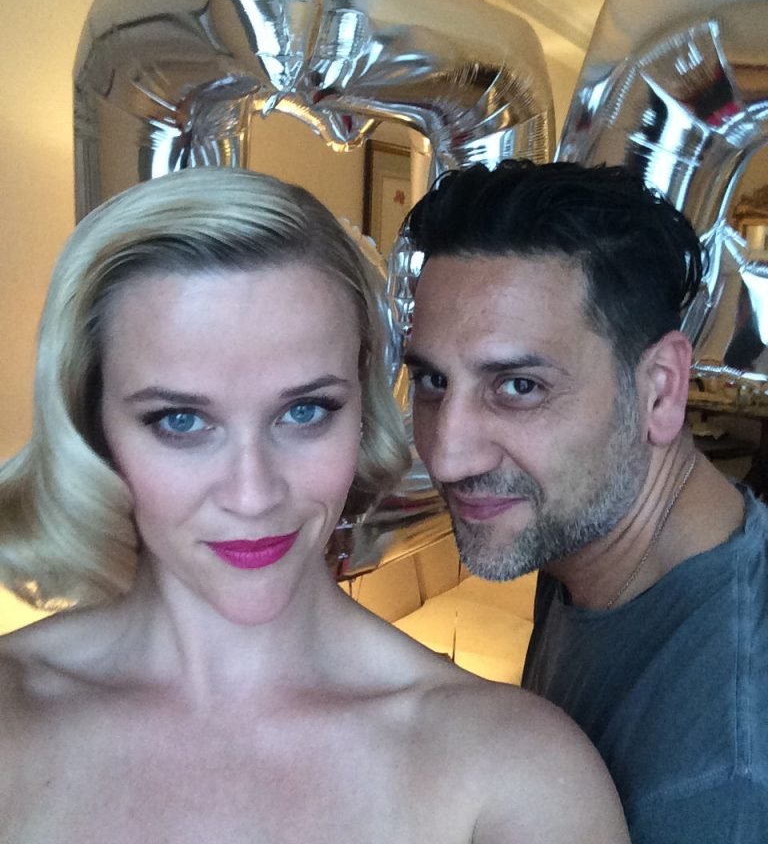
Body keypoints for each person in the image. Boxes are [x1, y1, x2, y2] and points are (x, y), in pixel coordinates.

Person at [0, 166, 628, 843]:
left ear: (361, 411)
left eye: (304, 411)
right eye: (181, 421)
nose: (253, 495)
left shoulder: (515, 768)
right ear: (92, 425)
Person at [403, 158, 768, 843]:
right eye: (431, 381)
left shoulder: (723, 782)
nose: (447, 457)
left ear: (660, 389)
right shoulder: (581, 538)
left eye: (518, 387)